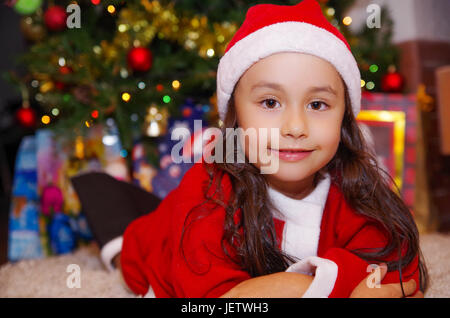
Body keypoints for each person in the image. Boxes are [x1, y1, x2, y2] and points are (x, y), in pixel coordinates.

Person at [73, 0, 428, 298]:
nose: (295, 128)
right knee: (124, 228)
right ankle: (103, 191)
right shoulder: (208, 191)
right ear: (234, 116)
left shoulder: (352, 185)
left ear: (344, 118)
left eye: (317, 105)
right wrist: (321, 284)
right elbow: (222, 299)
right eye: (270, 102)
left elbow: (403, 269)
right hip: (152, 241)